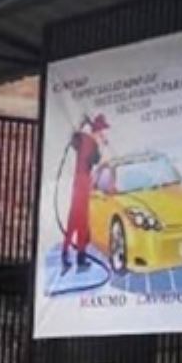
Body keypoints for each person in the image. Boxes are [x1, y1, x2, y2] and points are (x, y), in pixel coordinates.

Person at [62, 113, 109, 272]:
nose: (104, 134)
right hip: (81, 183)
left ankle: (77, 256)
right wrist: (81, 125)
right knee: (76, 220)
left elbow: (94, 160)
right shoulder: (86, 140)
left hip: (83, 183)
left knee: (80, 221)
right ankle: (69, 255)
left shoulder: (88, 141)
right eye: (102, 130)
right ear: (98, 129)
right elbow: (92, 159)